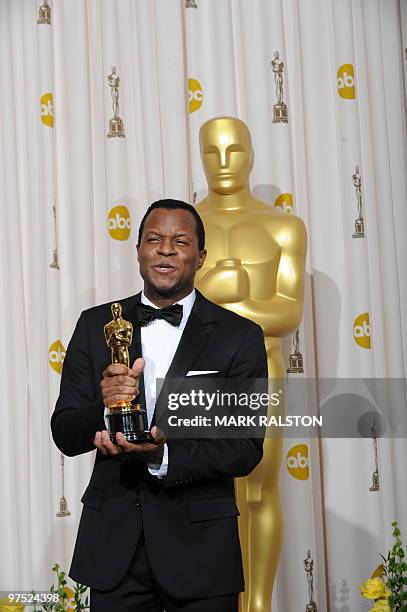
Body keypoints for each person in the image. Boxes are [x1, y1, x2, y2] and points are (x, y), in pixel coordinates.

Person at [51, 199, 267, 612]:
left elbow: (244, 447)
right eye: (154, 239)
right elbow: (65, 431)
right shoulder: (95, 326)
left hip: (201, 550)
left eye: (180, 241)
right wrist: (106, 405)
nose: (165, 249)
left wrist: (162, 454)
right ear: (138, 252)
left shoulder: (239, 336)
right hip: (115, 547)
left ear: (201, 257)